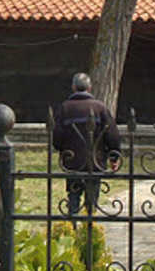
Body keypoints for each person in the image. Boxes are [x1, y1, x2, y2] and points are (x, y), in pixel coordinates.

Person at [52, 72, 121, 222]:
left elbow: (57, 136)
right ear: (89, 88)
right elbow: (112, 134)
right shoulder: (100, 107)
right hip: (95, 161)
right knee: (92, 200)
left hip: (73, 161)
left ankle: (73, 228)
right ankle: (89, 229)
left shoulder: (65, 108)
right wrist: (114, 156)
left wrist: (61, 150)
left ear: (73, 87)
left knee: (73, 197)